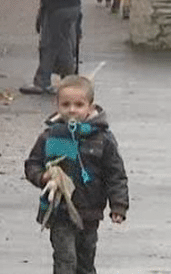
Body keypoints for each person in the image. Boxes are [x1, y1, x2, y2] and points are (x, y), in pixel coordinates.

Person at [24, 75, 129, 274]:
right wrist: (43, 176)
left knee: (85, 262)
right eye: (66, 104)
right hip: (60, 211)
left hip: (90, 212)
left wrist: (119, 205)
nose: (72, 110)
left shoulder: (102, 138)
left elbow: (115, 174)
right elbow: (33, 164)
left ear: (90, 107)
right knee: (65, 260)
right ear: (57, 105)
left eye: (79, 104)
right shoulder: (51, 135)